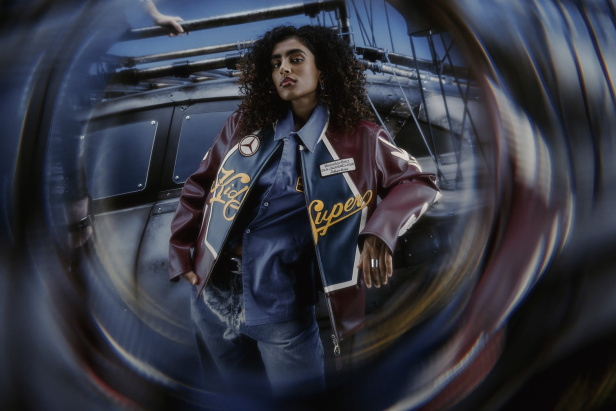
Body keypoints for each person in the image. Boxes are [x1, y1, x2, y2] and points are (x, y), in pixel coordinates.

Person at [168, 25, 440, 396]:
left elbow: (419, 182)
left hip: (281, 304)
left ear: (322, 68)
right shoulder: (243, 125)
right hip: (211, 294)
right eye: (275, 63)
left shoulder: (361, 137)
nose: (284, 68)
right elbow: (199, 185)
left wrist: (380, 230)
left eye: (296, 59)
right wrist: (182, 253)